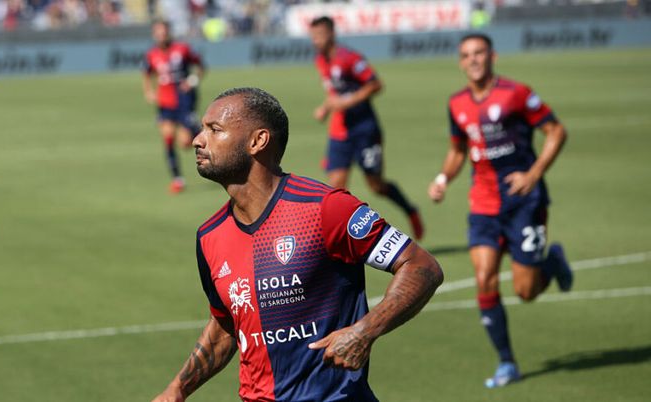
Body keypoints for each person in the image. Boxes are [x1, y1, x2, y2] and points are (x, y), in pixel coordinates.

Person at [151, 87, 443, 402]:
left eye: (214, 130)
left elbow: (421, 266)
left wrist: (365, 331)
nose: (197, 139)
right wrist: (177, 390)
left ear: (257, 141)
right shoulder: (210, 236)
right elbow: (226, 325)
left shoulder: (325, 209)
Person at [427, 33, 573, 388]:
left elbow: (556, 132)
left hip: (525, 201)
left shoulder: (517, 93)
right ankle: (507, 362)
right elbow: (458, 149)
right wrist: (444, 177)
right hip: (483, 204)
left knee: (526, 291)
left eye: (479, 53)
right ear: (460, 62)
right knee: (484, 279)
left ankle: (551, 263)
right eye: (466, 55)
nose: (473, 60)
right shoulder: (456, 103)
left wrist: (534, 174)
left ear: (491, 55)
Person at [308, 16, 425, 241]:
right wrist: (326, 107)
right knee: (335, 190)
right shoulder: (320, 60)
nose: (316, 40)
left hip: (364, 130)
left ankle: (410, 210)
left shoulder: (349, 58)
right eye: (313, 36)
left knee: (376, 186)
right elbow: (335, 92)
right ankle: (339, 242)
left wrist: (348, 102)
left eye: (320, 35)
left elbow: (376, 84)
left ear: (331, 33)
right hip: (340, 132)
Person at [143, 19, 205, 194]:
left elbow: (201, 66)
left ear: (169, 32)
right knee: (168, 138)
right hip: (165, 103)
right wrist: (148, 91)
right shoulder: (152, 54)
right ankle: (178, 180)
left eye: (164, 32)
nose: (161, 35)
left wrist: (192, 81)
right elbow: (146, 74)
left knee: (186, 143)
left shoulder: (182, 49)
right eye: (158, 33)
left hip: (184, 100)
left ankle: (215, 155)